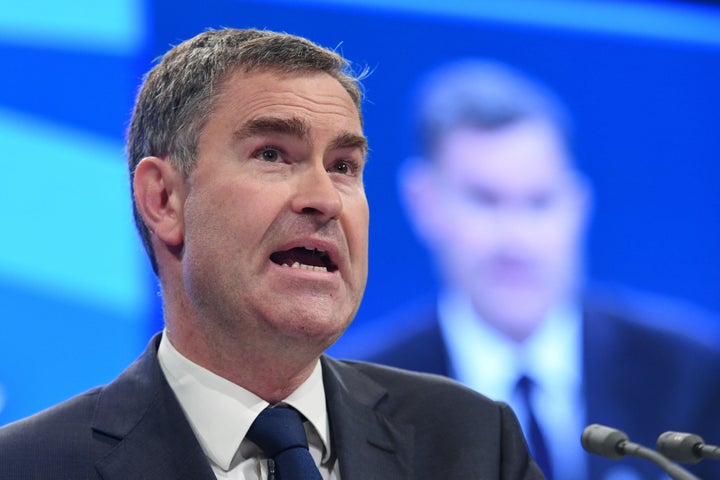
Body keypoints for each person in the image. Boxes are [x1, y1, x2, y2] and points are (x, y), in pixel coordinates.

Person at [0, 29, 543, 479]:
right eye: (273, 154)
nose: (325, 199)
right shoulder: (29, 466)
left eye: (344, 166)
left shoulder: (472, 442)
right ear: (163, 199)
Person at [339, 59, 720, 480]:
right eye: (485, 200)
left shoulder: (692, 374)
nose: (516, 240)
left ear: (578, 206)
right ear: (424, 202)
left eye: (539, 202)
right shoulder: (358, 400)